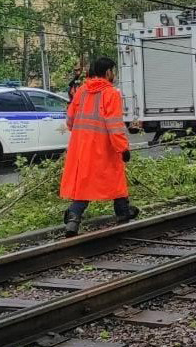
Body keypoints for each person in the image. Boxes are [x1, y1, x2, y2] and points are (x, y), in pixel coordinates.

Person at [59, 57, 139, 236]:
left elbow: (70, 120)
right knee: (115, 176)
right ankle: (122, 211)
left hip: (80, 146)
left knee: (84, 182)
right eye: (114, 71)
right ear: (108, 72)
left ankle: (74, 217)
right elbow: (115, 125)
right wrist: (123, 148)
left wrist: (81, 133)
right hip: (104, 146)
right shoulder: (111, 93)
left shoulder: (81, 91)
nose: (114, 75)